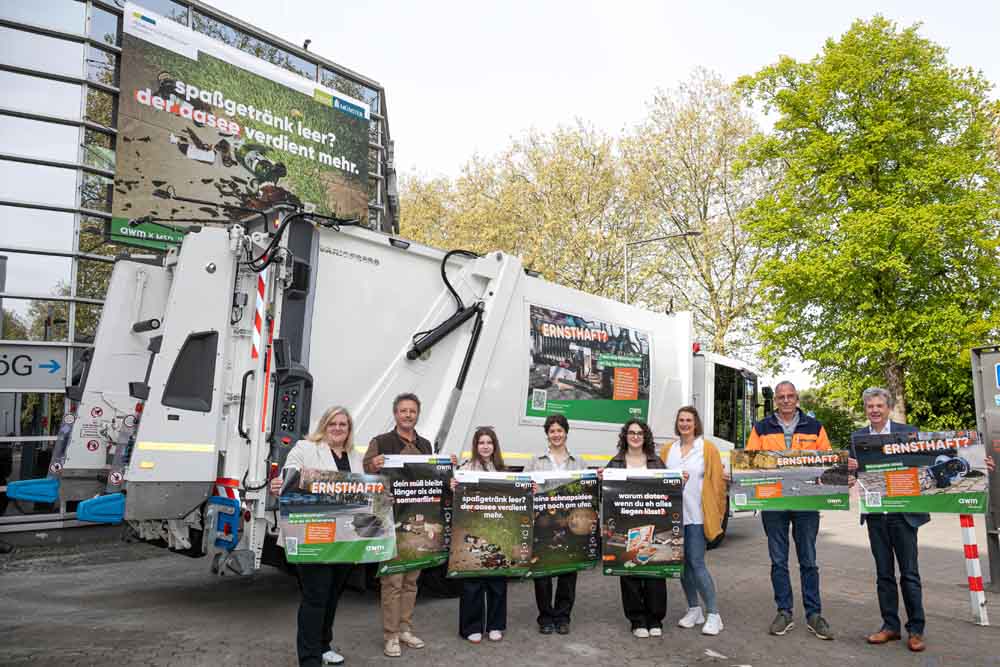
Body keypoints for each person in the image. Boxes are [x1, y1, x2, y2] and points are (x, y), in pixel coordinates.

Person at [847, 387, 997, 653]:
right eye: (870, 406)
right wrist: (848, 473)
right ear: (865, 409)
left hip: (905, 514)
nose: (875, 410)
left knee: (910, 574)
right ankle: (889, 627)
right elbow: (853, 475)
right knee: (883, 575)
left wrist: (978, 463)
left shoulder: (908, 433)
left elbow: (941, 455)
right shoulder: (857, 438)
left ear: (888, 407)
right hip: (875, 515)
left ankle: (915, 630)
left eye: (879, 405)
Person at [269, 405, 363, 667]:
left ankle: (324, 645)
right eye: (333, 423)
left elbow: (362, 493)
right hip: (312, 536)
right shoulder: (305, 448)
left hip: (344, 539)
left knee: (333, 595)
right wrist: (279, 484)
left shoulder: (354, 456)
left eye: (343, 424)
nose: (337, 428)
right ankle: (309, 657)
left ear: (349, 430)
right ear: (324, 425)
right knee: (315, 597)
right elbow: (288, 477)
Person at [745, 380, 833, 640]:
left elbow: (827, 462)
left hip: (806, 503)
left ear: (797, 398)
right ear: (776, 400)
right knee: (778, 560)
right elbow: (749, 464)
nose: (785, 400)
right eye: (781, 396)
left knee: (808, 560)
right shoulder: (761, 428)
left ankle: (814, 615)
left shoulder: (814, 427)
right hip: (774, 503)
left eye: (790, 396)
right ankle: (784, 611)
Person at [364, 393, 432, 658]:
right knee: (392, 581)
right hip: (389, 520)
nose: (408, 415)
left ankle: (405, 628)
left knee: (412, 580)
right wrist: (373, 464)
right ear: (395, 414)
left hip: (416, 519)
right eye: (403, 411)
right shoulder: (381, 442)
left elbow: (431, 478)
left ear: (417, 414)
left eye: (412, 411)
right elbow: (366, 475)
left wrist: (445, 466)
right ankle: (390, 635)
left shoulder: (426, 445)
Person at [660, 406, 727, 636]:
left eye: (689, 420)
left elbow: (718, 483)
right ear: (677, 423)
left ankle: (714, 614)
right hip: (674, 518)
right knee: (681, 566)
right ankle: (693, 609)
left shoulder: (707, 449)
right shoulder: (669, 449)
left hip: (697, 516)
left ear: (695, 423)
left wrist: (718, 513)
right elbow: (657, 479)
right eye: (681, 420)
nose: (685, 424)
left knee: (697, 564)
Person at [605, 418, 667, 638]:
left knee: (654, 571)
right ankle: (637, 620)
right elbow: (607, 495)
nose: (635, 436)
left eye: (639, 433)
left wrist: (681, 480)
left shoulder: (657, 462)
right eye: (631, 432)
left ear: (645, 436)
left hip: (654, 524)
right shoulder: (615, 463)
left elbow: (669, 492)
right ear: (625, 436)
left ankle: (655, 618)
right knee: (630, 571)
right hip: (626, 524)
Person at [527, 414, 582, 635]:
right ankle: (545, 617)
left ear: (566, 433)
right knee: (542, 573)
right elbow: (523, 490)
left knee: (568, 573)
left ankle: (563, 616)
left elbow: (586, 494)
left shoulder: (579, 463)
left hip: (570, 526)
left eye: (560, 430)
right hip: (542, 525)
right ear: (547, 434)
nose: (556, 435)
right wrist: (527, 488)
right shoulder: (535, 461)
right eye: (552, 431)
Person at [453, 427, 509, 643]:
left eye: (489, 442)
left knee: (496, 580)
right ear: (475, 446)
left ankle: (495, 625)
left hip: (497, 531)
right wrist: (453, 486)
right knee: (472, 581)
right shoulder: (465, 470)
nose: (485, 446)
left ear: (494, 446)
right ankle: (472, 626)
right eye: (481, 442)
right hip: (472, 530)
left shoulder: (504, 471)